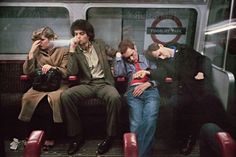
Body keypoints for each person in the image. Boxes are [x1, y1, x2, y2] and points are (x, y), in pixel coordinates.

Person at [137, 42, 229, 155]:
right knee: (174, 105)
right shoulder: (163, 62)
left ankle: (225, 137)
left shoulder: (185, 50)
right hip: (183, 89)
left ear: (161, 46)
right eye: (158, 57)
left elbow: (203, 60)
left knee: (211, 103)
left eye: (160, 54)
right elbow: (162, 73)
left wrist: (202, 71)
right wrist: (148, 72)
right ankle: (184, 138)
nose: (161, 57)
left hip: (198, 85)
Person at [60, 19, 122, 155]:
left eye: (81, 33)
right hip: (87, 84)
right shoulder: (75, 51)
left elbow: (113, 52)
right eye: (76, 34)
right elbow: (71, 72)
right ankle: (77, 136)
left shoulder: (99, 44)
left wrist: (118, 55)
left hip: (104, 83)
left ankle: (110, 136)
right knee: (66, 96)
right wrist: (72, 51)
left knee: (115, 97)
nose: (78, 37)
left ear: (88, 34)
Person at [18, 27, 69, 150]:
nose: (39, 43)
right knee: (28, 98)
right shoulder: (36, 52)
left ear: (51, 39)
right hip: (40, 84)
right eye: (37, 41)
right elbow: (28, 72)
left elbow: (66, 72)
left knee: (51, 101)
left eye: (42, 40)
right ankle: (31, 136)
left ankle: (50, 137)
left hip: (59, 84)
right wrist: (31, 53)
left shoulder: (63, 51)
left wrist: (53, 68)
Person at [114, 39, 160, 157]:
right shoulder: (124, 62)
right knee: (136, 123)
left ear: (135, 48)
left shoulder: (147, 59)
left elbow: (159, 75)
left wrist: (150, 83)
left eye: (132, 54)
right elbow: (119, 74)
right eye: (127, 57)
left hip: (150, 89)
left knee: (150, 120)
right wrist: (119, 57)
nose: (131, 59)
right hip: (133, 91)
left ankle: (138, 155)